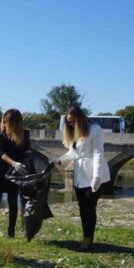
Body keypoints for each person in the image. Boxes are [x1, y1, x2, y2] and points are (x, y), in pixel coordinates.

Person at [53, 106, 111, 252]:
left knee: (89, 209)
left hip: (93, 174)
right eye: (69, 123)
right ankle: (86, 239)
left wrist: (96, 176)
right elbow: (74, 153)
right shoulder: (74, 133)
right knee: (83, 208)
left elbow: (98, 153)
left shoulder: (95, 130)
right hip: (80, 176)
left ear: (80, 119)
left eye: (73, 122)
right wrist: (59, 159)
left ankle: (87, 242)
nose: (71, 125)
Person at [0, 109, 31, 238]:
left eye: (8, 122)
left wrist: (26, 165)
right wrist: (13, 163)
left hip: (15, 173)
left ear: (17, 123)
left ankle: (11, 232)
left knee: (13, 202)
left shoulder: (25, 134)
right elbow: (0, 152)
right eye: (4, 121)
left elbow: (27, 152)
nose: (5, 124)